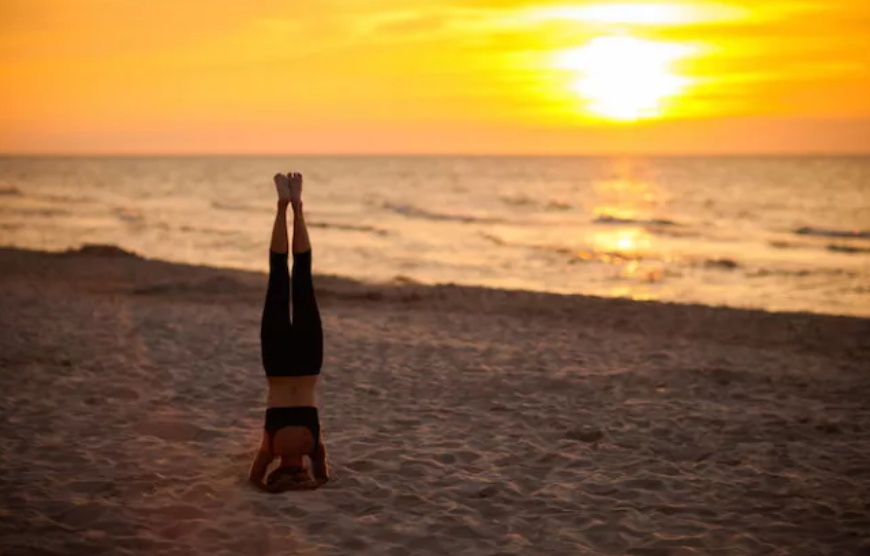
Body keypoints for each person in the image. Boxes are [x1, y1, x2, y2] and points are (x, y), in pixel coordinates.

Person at [248, 172, 330, 493]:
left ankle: (296, 205)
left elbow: (323, 475)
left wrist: (311, 484)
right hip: (278, 364)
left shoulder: (313, 447)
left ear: (301, 472)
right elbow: (254, 479)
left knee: (303, 279)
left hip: (308, 363)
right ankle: (284, 205)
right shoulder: (272, 447)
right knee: (280, 279)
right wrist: (270, 486)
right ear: (277, 471)